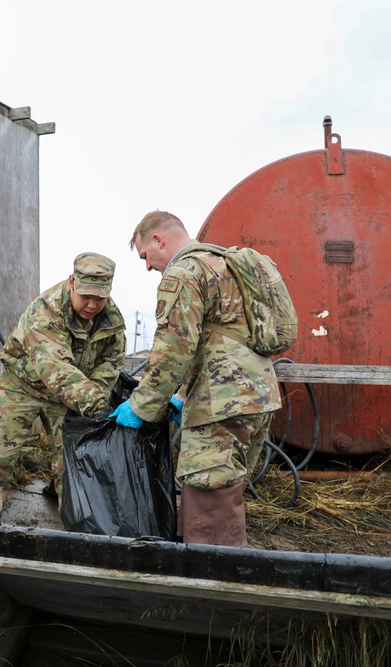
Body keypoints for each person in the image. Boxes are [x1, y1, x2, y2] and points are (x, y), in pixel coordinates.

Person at [110, 211, 281, 547]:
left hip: (220, 403)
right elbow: (219, 339)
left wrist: (141, 406)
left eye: (146, 256)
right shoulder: (226, 263)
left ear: (159, 239)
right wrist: (182, 395)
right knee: (225, 493)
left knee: (211, 505)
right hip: (256, 396)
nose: (148, 266)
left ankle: (212, 591)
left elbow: (174, 350)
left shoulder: (184, 272)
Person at [0, 252, 126, 523]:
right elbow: (57, 369)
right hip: (23, 387)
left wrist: (97, 397)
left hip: (70, 398)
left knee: (73, 461)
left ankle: (73, 520)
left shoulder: (111, 321)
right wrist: (97, 406)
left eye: (99, 298)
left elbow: (110, 363)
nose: (91, 305)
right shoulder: (46, 311)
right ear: (71, 283)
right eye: (85, 296)